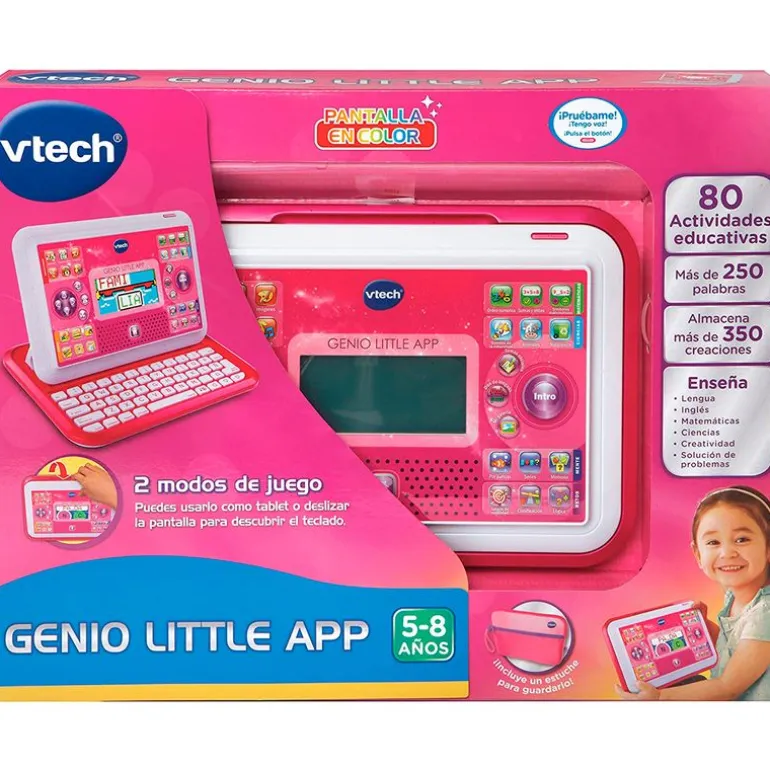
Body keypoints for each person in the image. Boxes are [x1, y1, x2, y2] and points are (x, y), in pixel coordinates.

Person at [618, 486, 770, 701]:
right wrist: (706, 629)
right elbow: (735, 648)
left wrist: (660, 698)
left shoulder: (765, 612)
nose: (727, 552)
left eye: (742, 539)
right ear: (698, 554)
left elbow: (728, 687)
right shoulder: (735, 597)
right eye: (713, 542)